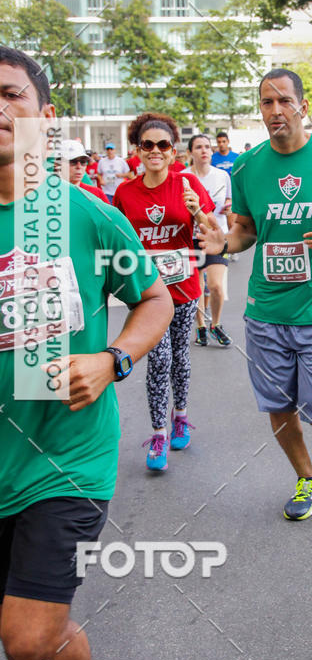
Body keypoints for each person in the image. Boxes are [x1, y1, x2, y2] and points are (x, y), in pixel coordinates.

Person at [0, 47, 173, 660]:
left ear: (46, 120)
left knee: (26, 637)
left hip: (66, 457)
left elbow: (156, 299)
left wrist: (114, 359)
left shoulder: (84, 214)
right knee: (18, 641)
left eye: (11, 94)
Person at [198, 68, 312, 521]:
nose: (275, 110)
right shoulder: (247, 166)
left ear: (302, 106)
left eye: (283, 101)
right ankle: (306, 479)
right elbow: (246, 231)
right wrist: (222, 244)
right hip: (266, 309)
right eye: (266, 102)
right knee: (277, 403)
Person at [113, 113, 216, 471]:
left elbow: (214, 231)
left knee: (180, 359)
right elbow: (119, 241)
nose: (155, 151)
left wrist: (197, 212)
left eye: (163, 145)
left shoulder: (187, 183)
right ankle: (158, 433)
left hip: (184, 287)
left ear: (173, 151)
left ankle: (181, 416)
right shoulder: (125, 192)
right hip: (147, 292)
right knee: (158, 360)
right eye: (148, 145)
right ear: (137, 150)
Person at [185, 134, 233, 346]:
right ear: (190, 152)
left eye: (207, 147)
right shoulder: (182, 177)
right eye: (198, 147)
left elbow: (230, 199)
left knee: (215, 285)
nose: (204, 150)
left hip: (216, 235)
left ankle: (216, 324)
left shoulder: (222, 175)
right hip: (191, 238)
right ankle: (200, 327)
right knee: (196, 288)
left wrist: (229, 208)